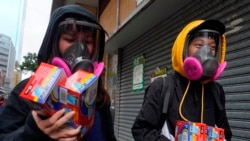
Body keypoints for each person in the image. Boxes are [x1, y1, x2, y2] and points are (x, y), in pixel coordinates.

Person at [0, 5, 116, 141]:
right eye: (70, 39)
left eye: (88, 41)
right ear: (53, 44)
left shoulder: (98, 97)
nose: (81, 48)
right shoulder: (28, 91)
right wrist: (32, 132)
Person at [132, 19, 232, 141]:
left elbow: (225, 133)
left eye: (212, 47)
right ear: (184, 48)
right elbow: (142, 130)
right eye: (199, 45)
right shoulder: (162, 86)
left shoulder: (216, 90)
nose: (207, 53)